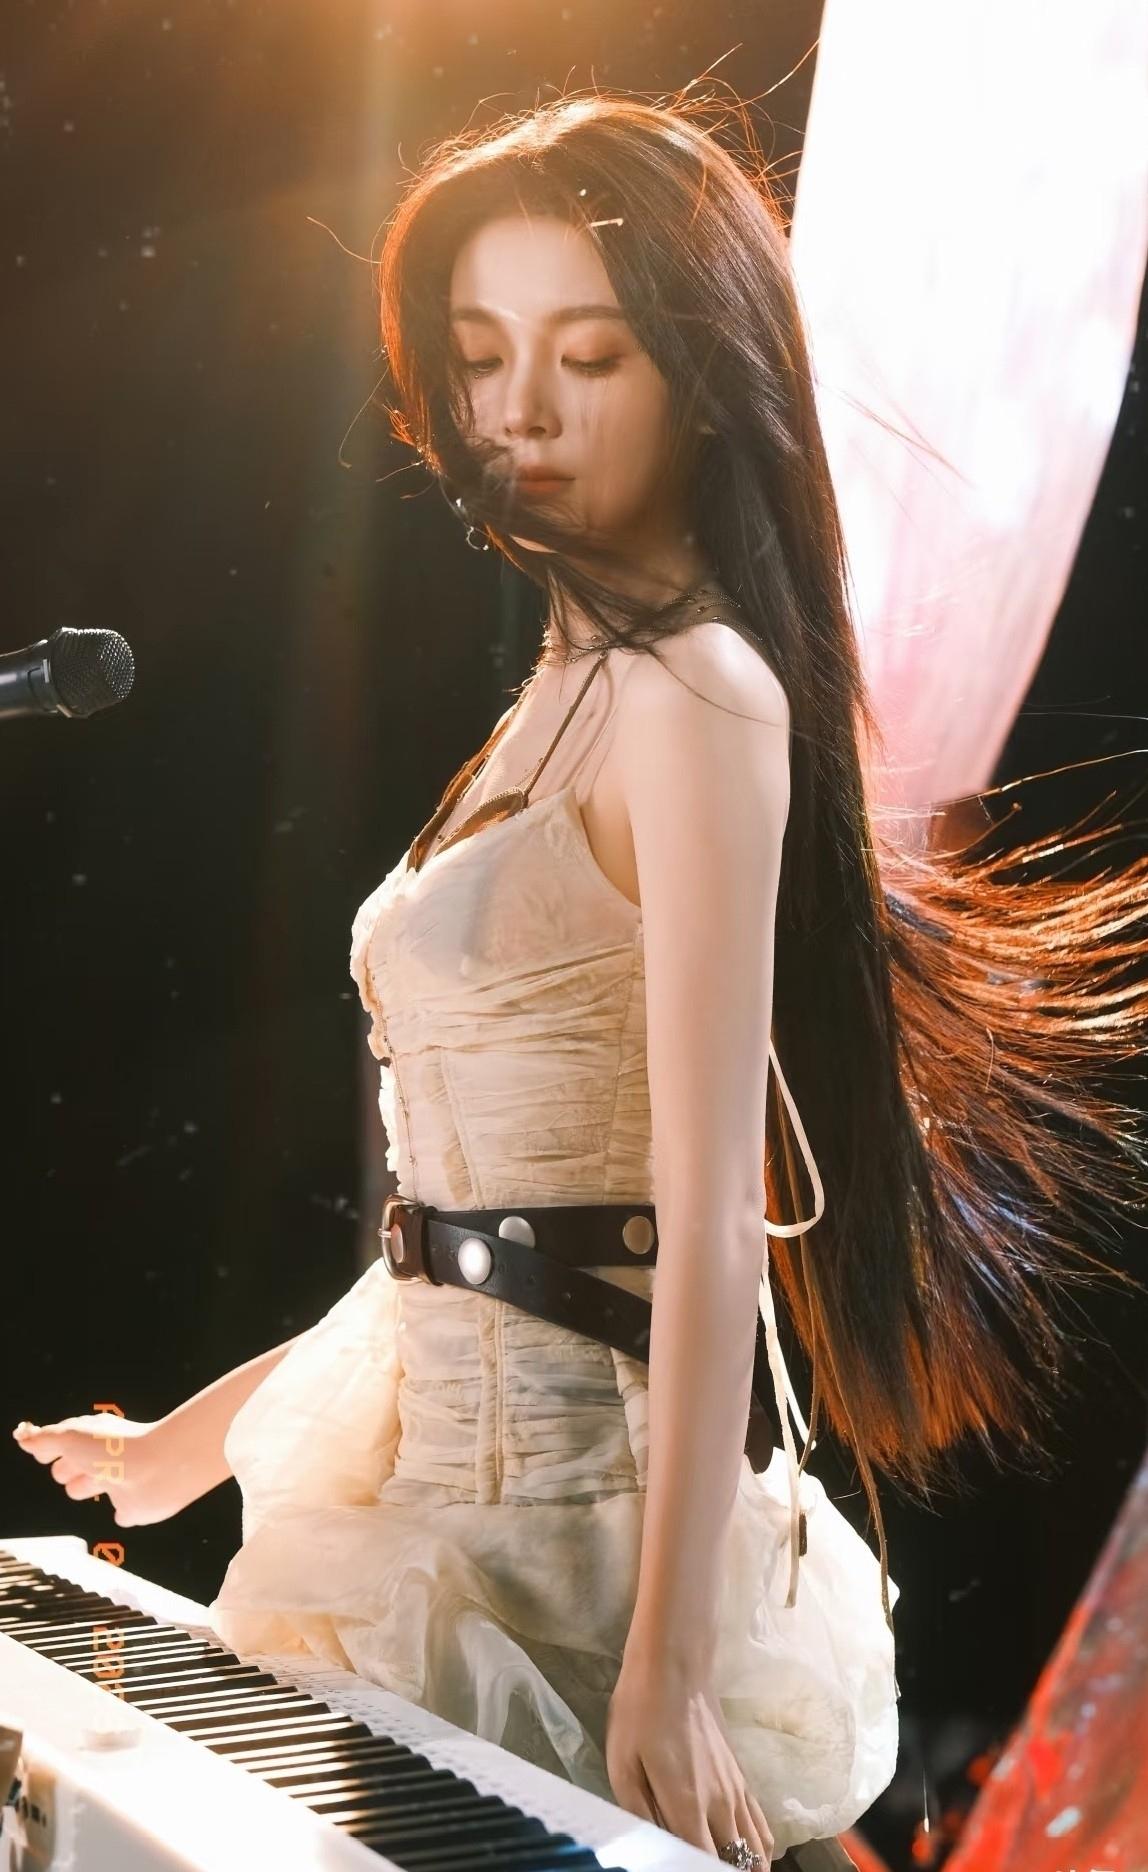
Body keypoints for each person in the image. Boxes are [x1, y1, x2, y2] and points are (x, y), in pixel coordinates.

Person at [15, 90, 1148, 1871]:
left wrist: (672, 1662)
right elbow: (472, 1241)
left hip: (586, 1568)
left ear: (700, 376)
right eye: (481, 356)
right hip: (425, 1530)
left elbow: (706, 1226)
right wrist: (192, 1444)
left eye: (589, 355)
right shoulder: (561, 694)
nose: (520, 411)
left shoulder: (699, 697)